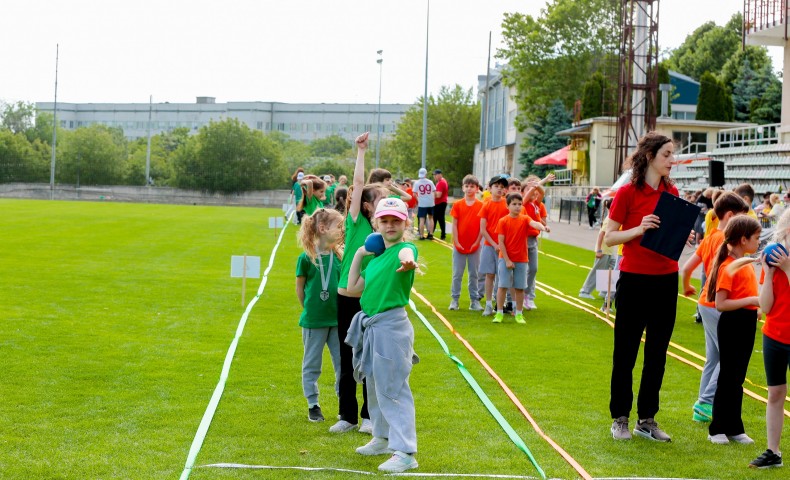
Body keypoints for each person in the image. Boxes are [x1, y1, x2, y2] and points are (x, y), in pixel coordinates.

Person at [605, 132, 682, 442]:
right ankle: (620, 418)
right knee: (625, 352)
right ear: (650, 156)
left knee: (657, 354)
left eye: (672, 154)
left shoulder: (672, 192)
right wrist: (638, 228)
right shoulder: (627, 193)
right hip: (634, 279)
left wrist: (682, 237)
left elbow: (668, 237)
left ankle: (647, 418)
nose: (671, 160)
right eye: (667, 154)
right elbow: (609, 237)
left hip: (666, 279)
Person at [345, 197, 420, 473]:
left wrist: (409, 262)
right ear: (376, 224)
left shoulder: (405, 249)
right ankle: (382, 437)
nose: (390, 226)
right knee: (374, 386)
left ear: (405, 223)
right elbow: (352, 288)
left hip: (391, 326)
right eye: (384, 221)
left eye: (396, 221)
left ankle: (405, 452)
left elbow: (406, 255)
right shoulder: (375, 261)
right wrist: (358, 254)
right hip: (372, 327)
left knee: (394, 389)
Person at [331, 132, 389, 435]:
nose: (382, 203)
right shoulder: (355, 223)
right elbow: (356, 185)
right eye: (377, 199)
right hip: (346, 298)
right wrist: (361, 152)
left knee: (367, 359)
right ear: (364, 205)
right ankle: (347, 416)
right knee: (345, 356)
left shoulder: (386, 230)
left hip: (369, 301)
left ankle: (368, 417)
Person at [680, 192, 749, 424]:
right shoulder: (726, 240)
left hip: (705, 302)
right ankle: (706, 401)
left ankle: (702, 404)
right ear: (730, 216)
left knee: (714, 356)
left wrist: (688, 285)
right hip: (719, 302)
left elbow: (687, 268)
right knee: (729, 356)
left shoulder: (709, 237)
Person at [705, 216, 762, 445]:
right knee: (727, 377)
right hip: (732, 323)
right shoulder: (728, 266)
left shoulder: (746, 263)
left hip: (747, 322)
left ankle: (734, 427)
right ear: (743, 239)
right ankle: (716, 427)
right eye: (756, 238)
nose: (759, 242)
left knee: (738, 378)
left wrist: (755, 308)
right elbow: (721, 304)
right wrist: (751, 300)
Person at [295, 208, 344, 423]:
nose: (342, 231)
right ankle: (313, 404)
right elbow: (300, 288)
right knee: (312, 363)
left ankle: (344, 402)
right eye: (339, 227)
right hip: (314, 321)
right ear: (323, 229)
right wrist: (309, 309)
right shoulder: (306, 258)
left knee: (343, 363)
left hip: (337, 319)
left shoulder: (340, 256)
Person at [750, 209, 790, 468]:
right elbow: (765, 306)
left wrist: (786, 269)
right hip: (775, 334)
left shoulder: (784, 261)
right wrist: (770, 272)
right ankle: (772, 451)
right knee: (775, 393)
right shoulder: (774, 256)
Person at [493, 193, 549, 324]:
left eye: (519, 204)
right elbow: (501, 242)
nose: (517, 207)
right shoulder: (503, 221)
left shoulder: (524, 219)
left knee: (520, 287)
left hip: (522, 259)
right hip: (505, 258)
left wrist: (544, 227)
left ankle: (519, 313)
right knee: (502, 286)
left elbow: (535, 223)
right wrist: (507, 260)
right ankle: (499, 313)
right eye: (514, 204)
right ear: (507, 206)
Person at [449, 175, 484, 311]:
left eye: (472, 186)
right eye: (467, 186)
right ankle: (455, 299)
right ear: (463, 188)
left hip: (474, 246)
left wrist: (477, 242)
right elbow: (454, 225)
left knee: (474, 274)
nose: (469, 189)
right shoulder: (458, 205)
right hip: (460, 245)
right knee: (457, 273)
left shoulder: (481, 206)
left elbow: (482, 227)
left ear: (477, 189)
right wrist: (456, 242)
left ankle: (474, 300)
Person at [478, 175, 510, 316]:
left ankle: (500, 303)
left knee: (502, 275)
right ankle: (488, 304)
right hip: (489, 245)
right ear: (490, 188)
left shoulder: (507, 205)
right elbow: (483, 229)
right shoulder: (486, 205)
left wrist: (501, 244)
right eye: (496, 186)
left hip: (504, 246)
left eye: (502, 187)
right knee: (489, 275)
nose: (499, 189)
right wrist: (494, 244)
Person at [579, 198, 616, 302]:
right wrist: (599, 250)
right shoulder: (609, 220)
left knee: (612, 268)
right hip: (603, 250)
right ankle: (585, 291)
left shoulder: (611, 218)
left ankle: (604, 290)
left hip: (609, 250)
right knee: (597, 270)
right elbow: (601, 235)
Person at [412, 168, 436, 240]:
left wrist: (419, 200)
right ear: (426, 174)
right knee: (431, 218)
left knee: (422, 219)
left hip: (422, 203)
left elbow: (414, 194)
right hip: (430, 202)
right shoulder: (430, 182)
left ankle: (422, 235)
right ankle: (431, 234)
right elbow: (434, 191)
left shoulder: (417, 183)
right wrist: (433, 199)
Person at [433, 169, 449, 240]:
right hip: (441, 202)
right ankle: (435, 233)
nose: (434, 177)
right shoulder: (442, 181)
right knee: (437, 218)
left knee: (439, 218)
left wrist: (432, 194)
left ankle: (442, 234)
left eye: (435, 175)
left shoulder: (441, 182)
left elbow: (438, 195)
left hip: (440, 202)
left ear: (439, 174)